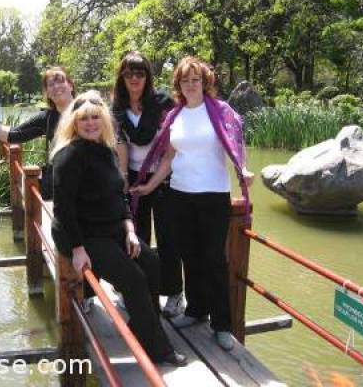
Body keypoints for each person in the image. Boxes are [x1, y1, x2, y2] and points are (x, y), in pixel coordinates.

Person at [50, 90, 187, 366]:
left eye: (95, 118)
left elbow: (118, 196)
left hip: (112, 228)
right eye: (84, 119)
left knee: (151, 264)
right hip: (82, 234)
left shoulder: (106, 151)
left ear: (103, 121)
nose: (90, 123)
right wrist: (77, 249)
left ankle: (142, 326)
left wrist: (130, 229)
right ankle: (158, 349)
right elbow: (63, 209)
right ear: (74, 123)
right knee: (133, 280)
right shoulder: (69, 156)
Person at [131, 57, 254, 351]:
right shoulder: (174, 116)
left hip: (213, 194)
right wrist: (149, 184)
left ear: (205, 82)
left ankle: (222, 324)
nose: (190, 84)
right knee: (189, 254)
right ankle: (196, 309)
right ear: (179, 85)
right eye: (185, 80)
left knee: (214, 258)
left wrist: (244, 170)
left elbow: (236, 145)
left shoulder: (221, 112)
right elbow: (170, 158)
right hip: (179, 194)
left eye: (195, 79)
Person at [112, 51, 184, 318]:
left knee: (168, 237)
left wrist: (152, 184)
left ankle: (175, 294)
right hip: (133, 178)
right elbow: (120, 148)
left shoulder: (162, 103)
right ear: (122, 77)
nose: (134, 78)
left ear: (147, 77)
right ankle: (136, 289)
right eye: (129, 73)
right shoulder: (117, 108)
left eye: (140, 73)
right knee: (136, 237)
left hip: (163, 178)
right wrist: (123, 181)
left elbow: (169, 152)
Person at [0, 66, 75, 144]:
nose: (56, 86)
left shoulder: (85, 110)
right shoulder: (47, 118)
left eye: (60, 81)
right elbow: (14, 135)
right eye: (51, 84)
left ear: (70, 86)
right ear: (47, 93)